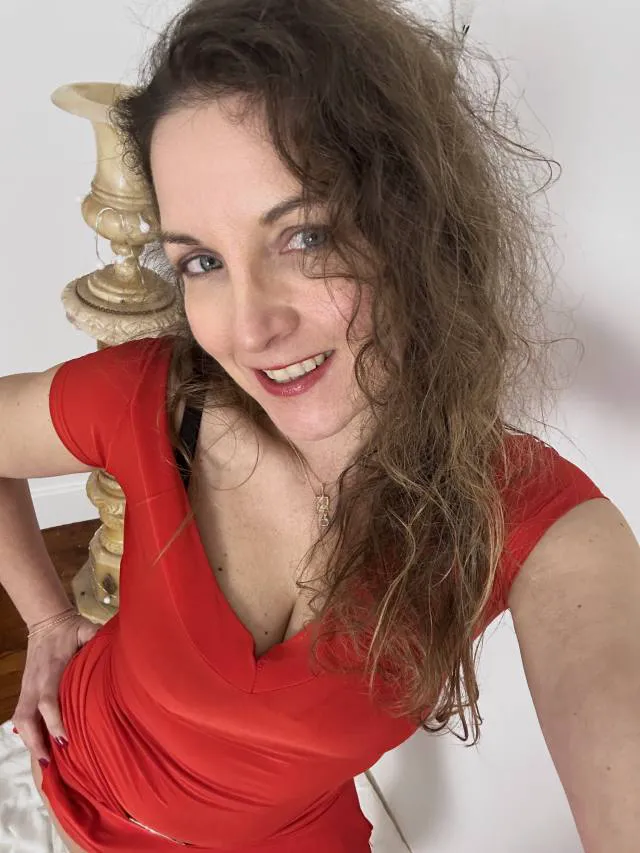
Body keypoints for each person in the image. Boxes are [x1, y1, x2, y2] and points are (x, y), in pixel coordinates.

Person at [3, 0, 639, 850]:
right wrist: (48, 621)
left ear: (416, 227)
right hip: (75, 787)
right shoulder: (152, 400)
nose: (250, 327)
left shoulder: (529, 519)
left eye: (305, 235)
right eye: (202, 260)